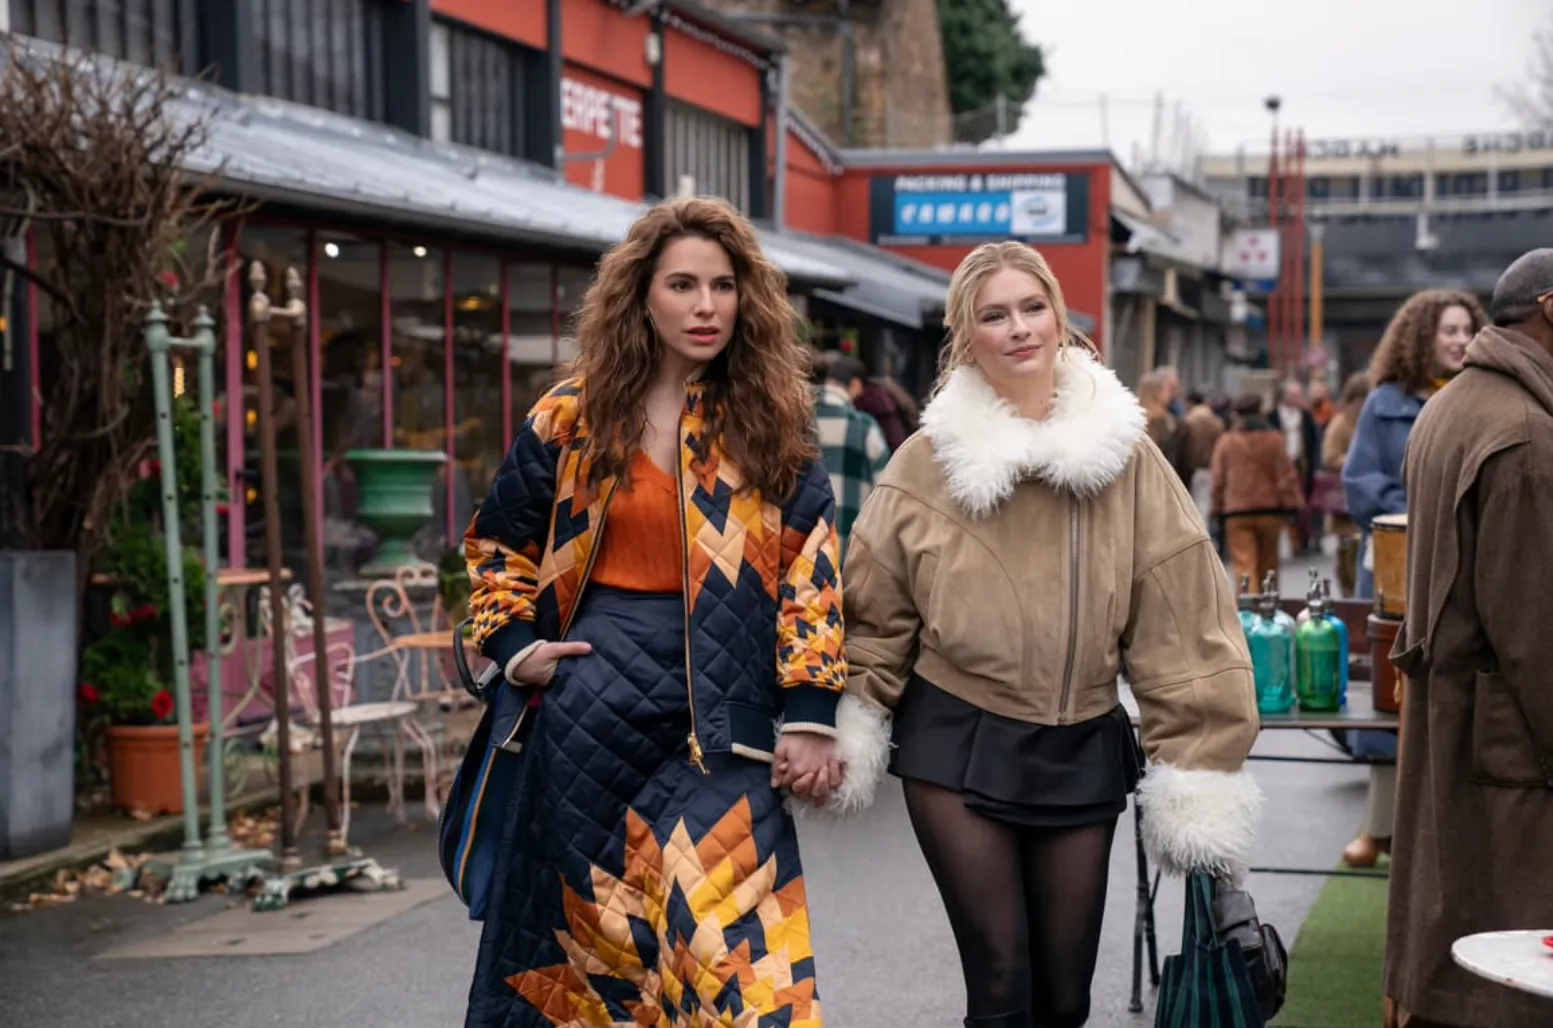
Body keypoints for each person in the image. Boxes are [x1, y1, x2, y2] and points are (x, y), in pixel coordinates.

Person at [461, 197, 881, 1028]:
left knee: (746, 979)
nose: (704, 306)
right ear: (640, 296)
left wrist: (809, 715)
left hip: (723, 723)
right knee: (599, 974)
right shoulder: (572, 417)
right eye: (681, 284)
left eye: (723, 286)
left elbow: (811, 575)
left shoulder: (771, 424)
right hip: (590, 721)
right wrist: (517, 648)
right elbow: (495, 546)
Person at [840, 241, 1263, 1028]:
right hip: (954, 739)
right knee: (1001, 992)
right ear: (966, 336)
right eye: (993, 315)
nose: (1018, 328)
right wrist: (848, 717)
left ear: (1059, 318)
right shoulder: (923, 463)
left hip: (1081, 747)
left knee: (1064, 1002)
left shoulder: (1126, 457)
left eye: (1032, 308)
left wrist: (1199, 759)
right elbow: (874, 609)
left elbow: (1182, 615)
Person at [1383, 248, 1553, 1028]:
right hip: (1508, 742)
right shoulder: (1522, 431)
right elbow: (1537, 632)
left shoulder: (1456, 403)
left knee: (1455, 936)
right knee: (1507, 970)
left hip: (1460, 720)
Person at [1339, 288, 1486, 869]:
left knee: (1460, 692)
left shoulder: (1485, 396)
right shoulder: (1383, 403)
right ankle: (1377, 827)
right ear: (1421, 337)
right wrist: (1425, 510)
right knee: (1389, 695)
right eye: (1447, 330)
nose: (1459, 340)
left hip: (1468, 565)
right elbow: (1360, 484)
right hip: (1398, 569)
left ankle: (1449, 834)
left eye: (1466, 329)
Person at [1210, 392, 1305, 590]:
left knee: (1244, 567)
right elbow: (1286, 477)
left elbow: (1218, 480)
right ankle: (1268, 610)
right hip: (1270, 511)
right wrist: (1293, 505)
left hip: (1236, 511)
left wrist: (1216, 508)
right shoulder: (1274, 440)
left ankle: (1247, 609)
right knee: (1269, 568)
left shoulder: (1227, 442)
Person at [813, 354, 890, 555]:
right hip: (847, 545)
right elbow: (886, 489)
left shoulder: (797, 417)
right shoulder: (864, 426)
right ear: (855, 385)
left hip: (803, 544)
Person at [1318, 372, 1371, 598]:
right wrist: (1357, 461)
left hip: (1363, 501)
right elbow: (1329, 457)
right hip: (1344, 506)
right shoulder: (1341, 423)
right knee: (1348, 566)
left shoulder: (1366, 419)